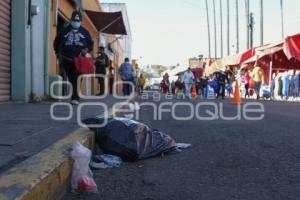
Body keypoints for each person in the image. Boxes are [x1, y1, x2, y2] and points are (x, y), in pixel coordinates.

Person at [54, 11, 94, 105]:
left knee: (77, 78)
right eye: (74, 20)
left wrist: (86, 50)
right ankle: (75, 96)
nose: (76, 22)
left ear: (80, 21)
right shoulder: (64, 31)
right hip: (67, 59)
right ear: (71, 20)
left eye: (78, 20)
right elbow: (56, 42)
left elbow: (91, 44)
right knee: (71, 77)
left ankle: (75, 97)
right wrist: (57, 53)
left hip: (79, 60)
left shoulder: (85, 31)